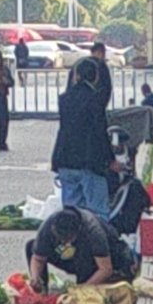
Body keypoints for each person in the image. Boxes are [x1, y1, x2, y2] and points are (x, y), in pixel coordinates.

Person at [51, 58, 112, 216]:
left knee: (71, 212)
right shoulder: (95, 99)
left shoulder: (64, 99)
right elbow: (100, 132)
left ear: (76, 76)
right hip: (89, 159)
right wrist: (110, 159)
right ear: (96, 78)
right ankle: (96, 239)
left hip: (65, 157)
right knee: (98, 211)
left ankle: (72, 239)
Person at [28, 206, 137, 289]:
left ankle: (84, 283)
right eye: (60, 239)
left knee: (84, 256)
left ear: (77, 230)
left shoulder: (92, 230)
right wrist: (35, 276)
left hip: (102, 259)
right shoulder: (48, 226)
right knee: (31, 246)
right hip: (70, 258)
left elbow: (105, 269)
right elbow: (38, 258)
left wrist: (83, 288)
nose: (63, 242)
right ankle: (41, 289)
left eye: (67, 239)